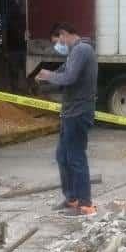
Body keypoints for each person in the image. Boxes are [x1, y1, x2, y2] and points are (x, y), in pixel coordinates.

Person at [36, 22, 98, 217]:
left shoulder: (82, 49)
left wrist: (48, 75)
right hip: (69, 112)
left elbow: (69, 77)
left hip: (78, 113)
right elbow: (63, 72)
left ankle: (86, 204)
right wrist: (47, 78)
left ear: (64, 34)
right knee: (62, 156)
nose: (58, 46)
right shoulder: (74, 52)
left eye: (57, 42)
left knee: (76, 158)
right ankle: (72, 198)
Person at [3, 0, 27, 94]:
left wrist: (5, 51)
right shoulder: (24, 18)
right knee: (26, 72)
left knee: (14, 73)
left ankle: (15, 92)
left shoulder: (7, 18)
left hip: (13, 51)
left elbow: (4, 36)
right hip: (23, 49)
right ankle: (28, 91)